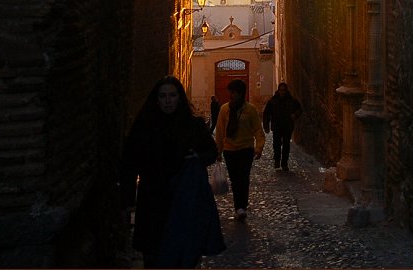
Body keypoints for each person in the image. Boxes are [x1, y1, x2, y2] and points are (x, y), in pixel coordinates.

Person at [120, 76, 225, 268]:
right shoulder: (145, 128)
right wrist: (128, 199)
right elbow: (129, 163)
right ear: (156, 99)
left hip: (184, 202)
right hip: (153, 202)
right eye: (163, 96)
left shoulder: (193, 126)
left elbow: (211, 152)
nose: (168, 100)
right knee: (155, 255)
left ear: (179, 97)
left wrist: (196, 157)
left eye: (172, 95)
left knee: (183, 255)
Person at [214, 79, 265, 222]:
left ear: (241, 93)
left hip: (245, 149)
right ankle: (239, 207)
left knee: (243, 177)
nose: (232, 95)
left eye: (234, 92)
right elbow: (220, 131)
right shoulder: (224, 109)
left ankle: (241, 206)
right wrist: (218, 151)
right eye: (231, 92)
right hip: (229, 150)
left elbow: (257, 130)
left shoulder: (250, 110)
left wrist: (259, 147)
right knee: (235, 179)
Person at [262, 82, 303, 171]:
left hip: (287, 126)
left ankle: (284, 163)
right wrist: (266, 126)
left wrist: (295, 115)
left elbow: (299, 109)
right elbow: (266, 113)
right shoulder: (273, 101)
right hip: (276, 126)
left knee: (286, 145)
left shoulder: (291, 101)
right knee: (276, 144)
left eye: (284, 90)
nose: (282, 92)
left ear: (286, 91)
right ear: (278, 90)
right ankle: (277, 159)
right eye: (281, 90)